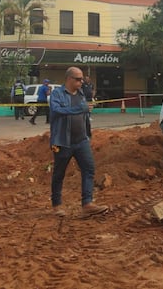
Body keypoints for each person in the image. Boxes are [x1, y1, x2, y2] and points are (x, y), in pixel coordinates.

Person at [49, 67, 109, 218]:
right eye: (78, 79)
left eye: (82, 79)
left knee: (89, 169)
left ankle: (87, 204)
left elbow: (83, 114)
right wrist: (79, 109)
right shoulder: (57, 94)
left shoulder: (81, 94)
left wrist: (87, 123)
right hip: (63, 142)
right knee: (59, 173)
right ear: (69, 79)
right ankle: (57, 206)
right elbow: (56, 111)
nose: (81, 82)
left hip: (81, 140)